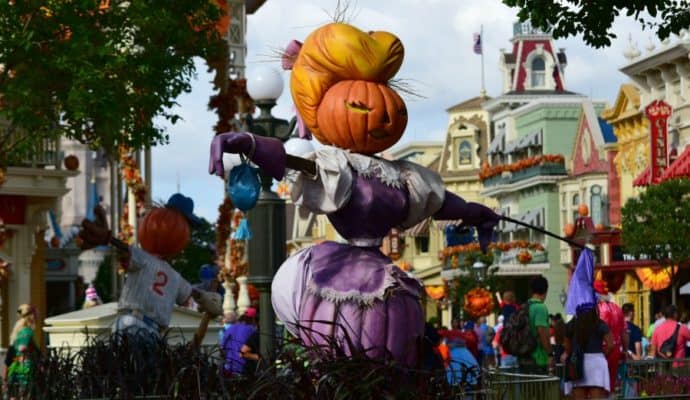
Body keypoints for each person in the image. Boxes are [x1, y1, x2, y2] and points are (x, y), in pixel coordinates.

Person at [209, 21, 501, 367]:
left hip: (385, 275)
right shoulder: (336, 165)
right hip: (343, 272)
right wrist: (251, 144)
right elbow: (294, 162)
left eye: (391, 104)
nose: (382, 112)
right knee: (348, 336)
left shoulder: (402, 174)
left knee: (394, 338)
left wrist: (475, 212)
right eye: (363, 105)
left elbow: (438, 202)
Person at [77, 195, 223, 341]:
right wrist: (206, 298)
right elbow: (192, 293)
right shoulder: (153, 264)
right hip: (142, 328)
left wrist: (109, 239)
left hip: (131, 325)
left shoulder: (160, 268)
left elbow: (126, 250)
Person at [563, 305, 614, 399]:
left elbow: (566, 346)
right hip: (597, 363)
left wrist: (572, 353)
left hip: (577, 363)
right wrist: (603, 354)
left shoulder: (572, 324)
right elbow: (611, 344)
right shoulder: (599, 324)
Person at [594, 280, 626, 392]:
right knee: (610, 385)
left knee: (598, 386)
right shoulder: (617, 308)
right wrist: (625, 350)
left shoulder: (596, 309)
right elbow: (624, 333)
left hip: (600, 351)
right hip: (615, 350)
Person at [519, 275, 552, 374]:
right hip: (538, 359)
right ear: (545, 290)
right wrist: (550, 354)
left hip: (524, 356)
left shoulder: (525, 306)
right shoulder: (540, 307)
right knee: (541, 389)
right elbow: (541, 331)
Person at [6, 304, 38, 398]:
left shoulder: (16, 331)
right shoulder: (27, 331)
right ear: (31, 316)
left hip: (14, 367)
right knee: (25, 395)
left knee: (14, 395)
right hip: (25, 368)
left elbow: (11, 353)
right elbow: (23, 348)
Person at [221, 308, 259, 376]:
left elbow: (222, 348)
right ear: (254, 319)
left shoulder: (230, 328)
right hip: (243, 369)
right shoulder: (252, 330)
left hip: (228, 367)